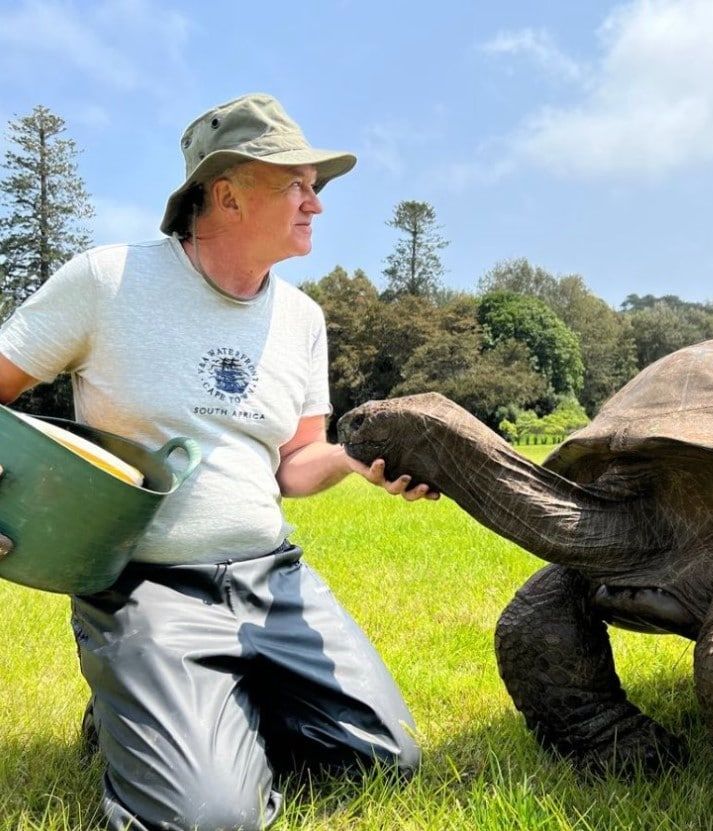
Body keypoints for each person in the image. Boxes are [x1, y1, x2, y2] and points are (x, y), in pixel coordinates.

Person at [0, 93, 433, 830]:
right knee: (211, 819)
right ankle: (145, 700)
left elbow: (294, 462)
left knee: (381, 760)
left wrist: (356, 462)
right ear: (226, 193)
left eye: (316, 187)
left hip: (274, 579)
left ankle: (172, 706)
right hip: (148, 588)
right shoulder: (107, 281)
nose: (315, 204)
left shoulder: (303, 318)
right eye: (298, 184)